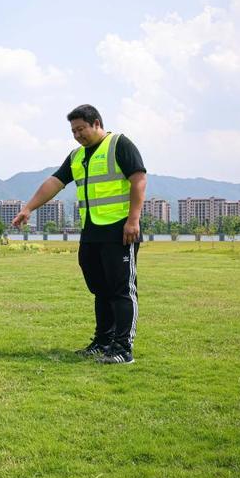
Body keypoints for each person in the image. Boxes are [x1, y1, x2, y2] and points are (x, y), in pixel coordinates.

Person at [12, 104, 146, 364]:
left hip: (120, 230)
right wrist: (28, 208)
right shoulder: (77, 156)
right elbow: (55, 182)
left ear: (96, 123)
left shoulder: (119, 144)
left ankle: (122, 349)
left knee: (121, 290)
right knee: (100, 288)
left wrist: (133, 219)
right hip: (92, 231)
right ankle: (103, 341)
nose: (77, 135)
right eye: (73, 131)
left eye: (81, 129)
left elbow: (138, 179)